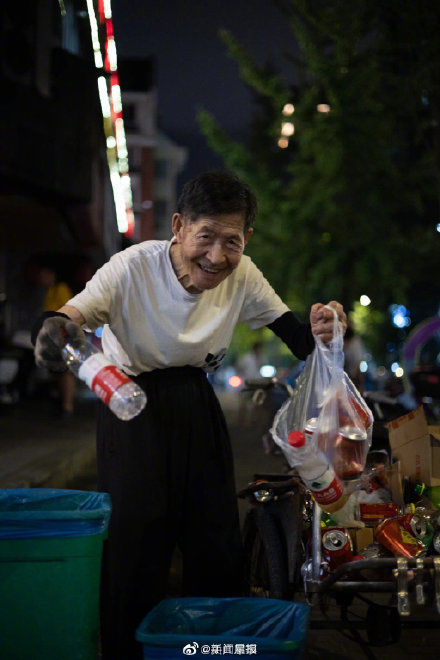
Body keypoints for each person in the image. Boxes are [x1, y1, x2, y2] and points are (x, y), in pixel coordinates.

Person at [31, 171, 347, 658]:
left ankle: (209, 649)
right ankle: (129, 651)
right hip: (128, 403)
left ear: (247, 240)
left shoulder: (244, 276)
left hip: (198, 403)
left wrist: (328, 327)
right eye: (206, 237)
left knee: (214, 540)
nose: (217, 256)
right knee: (135, 547)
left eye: (232, 241)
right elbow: (71, 317)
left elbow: (303, 341)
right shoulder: (131, 267)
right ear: (178, 227)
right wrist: (53, 330)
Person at [37, 262, 77, 416]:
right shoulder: (49, 291)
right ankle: (63, 404)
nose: (41, 278)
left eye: (44, 275)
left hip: (63, 335)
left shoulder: (60, 289)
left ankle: (68, 406)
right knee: (59, 371)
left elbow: (67, 314)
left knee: (65, 371)